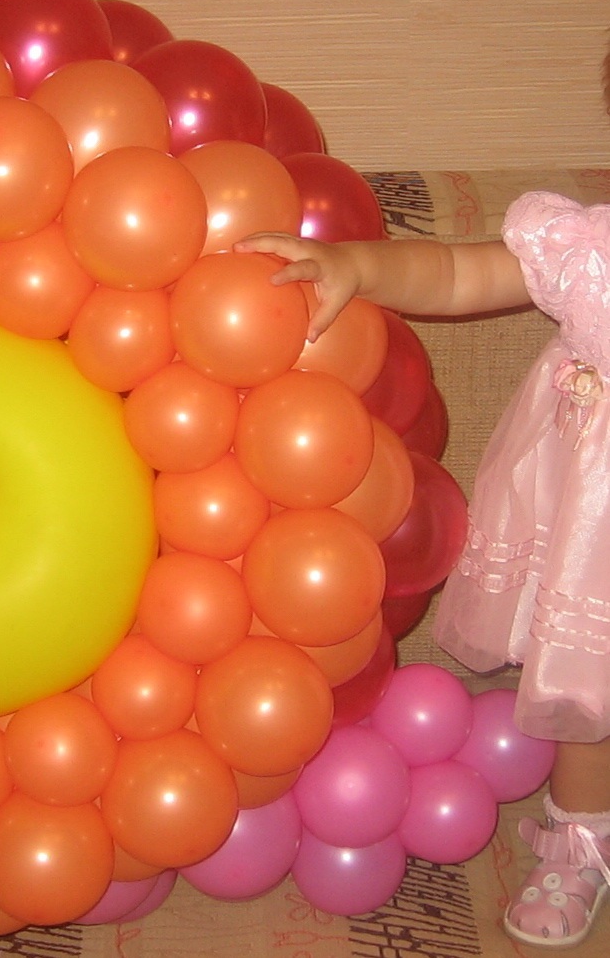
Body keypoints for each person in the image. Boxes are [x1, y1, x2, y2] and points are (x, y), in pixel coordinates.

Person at [240, 190, 610, 948]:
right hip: (598, 535)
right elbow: (454, 272)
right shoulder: (592, 250)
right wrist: (357, 264)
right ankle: (580, 841)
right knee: (588, 689)